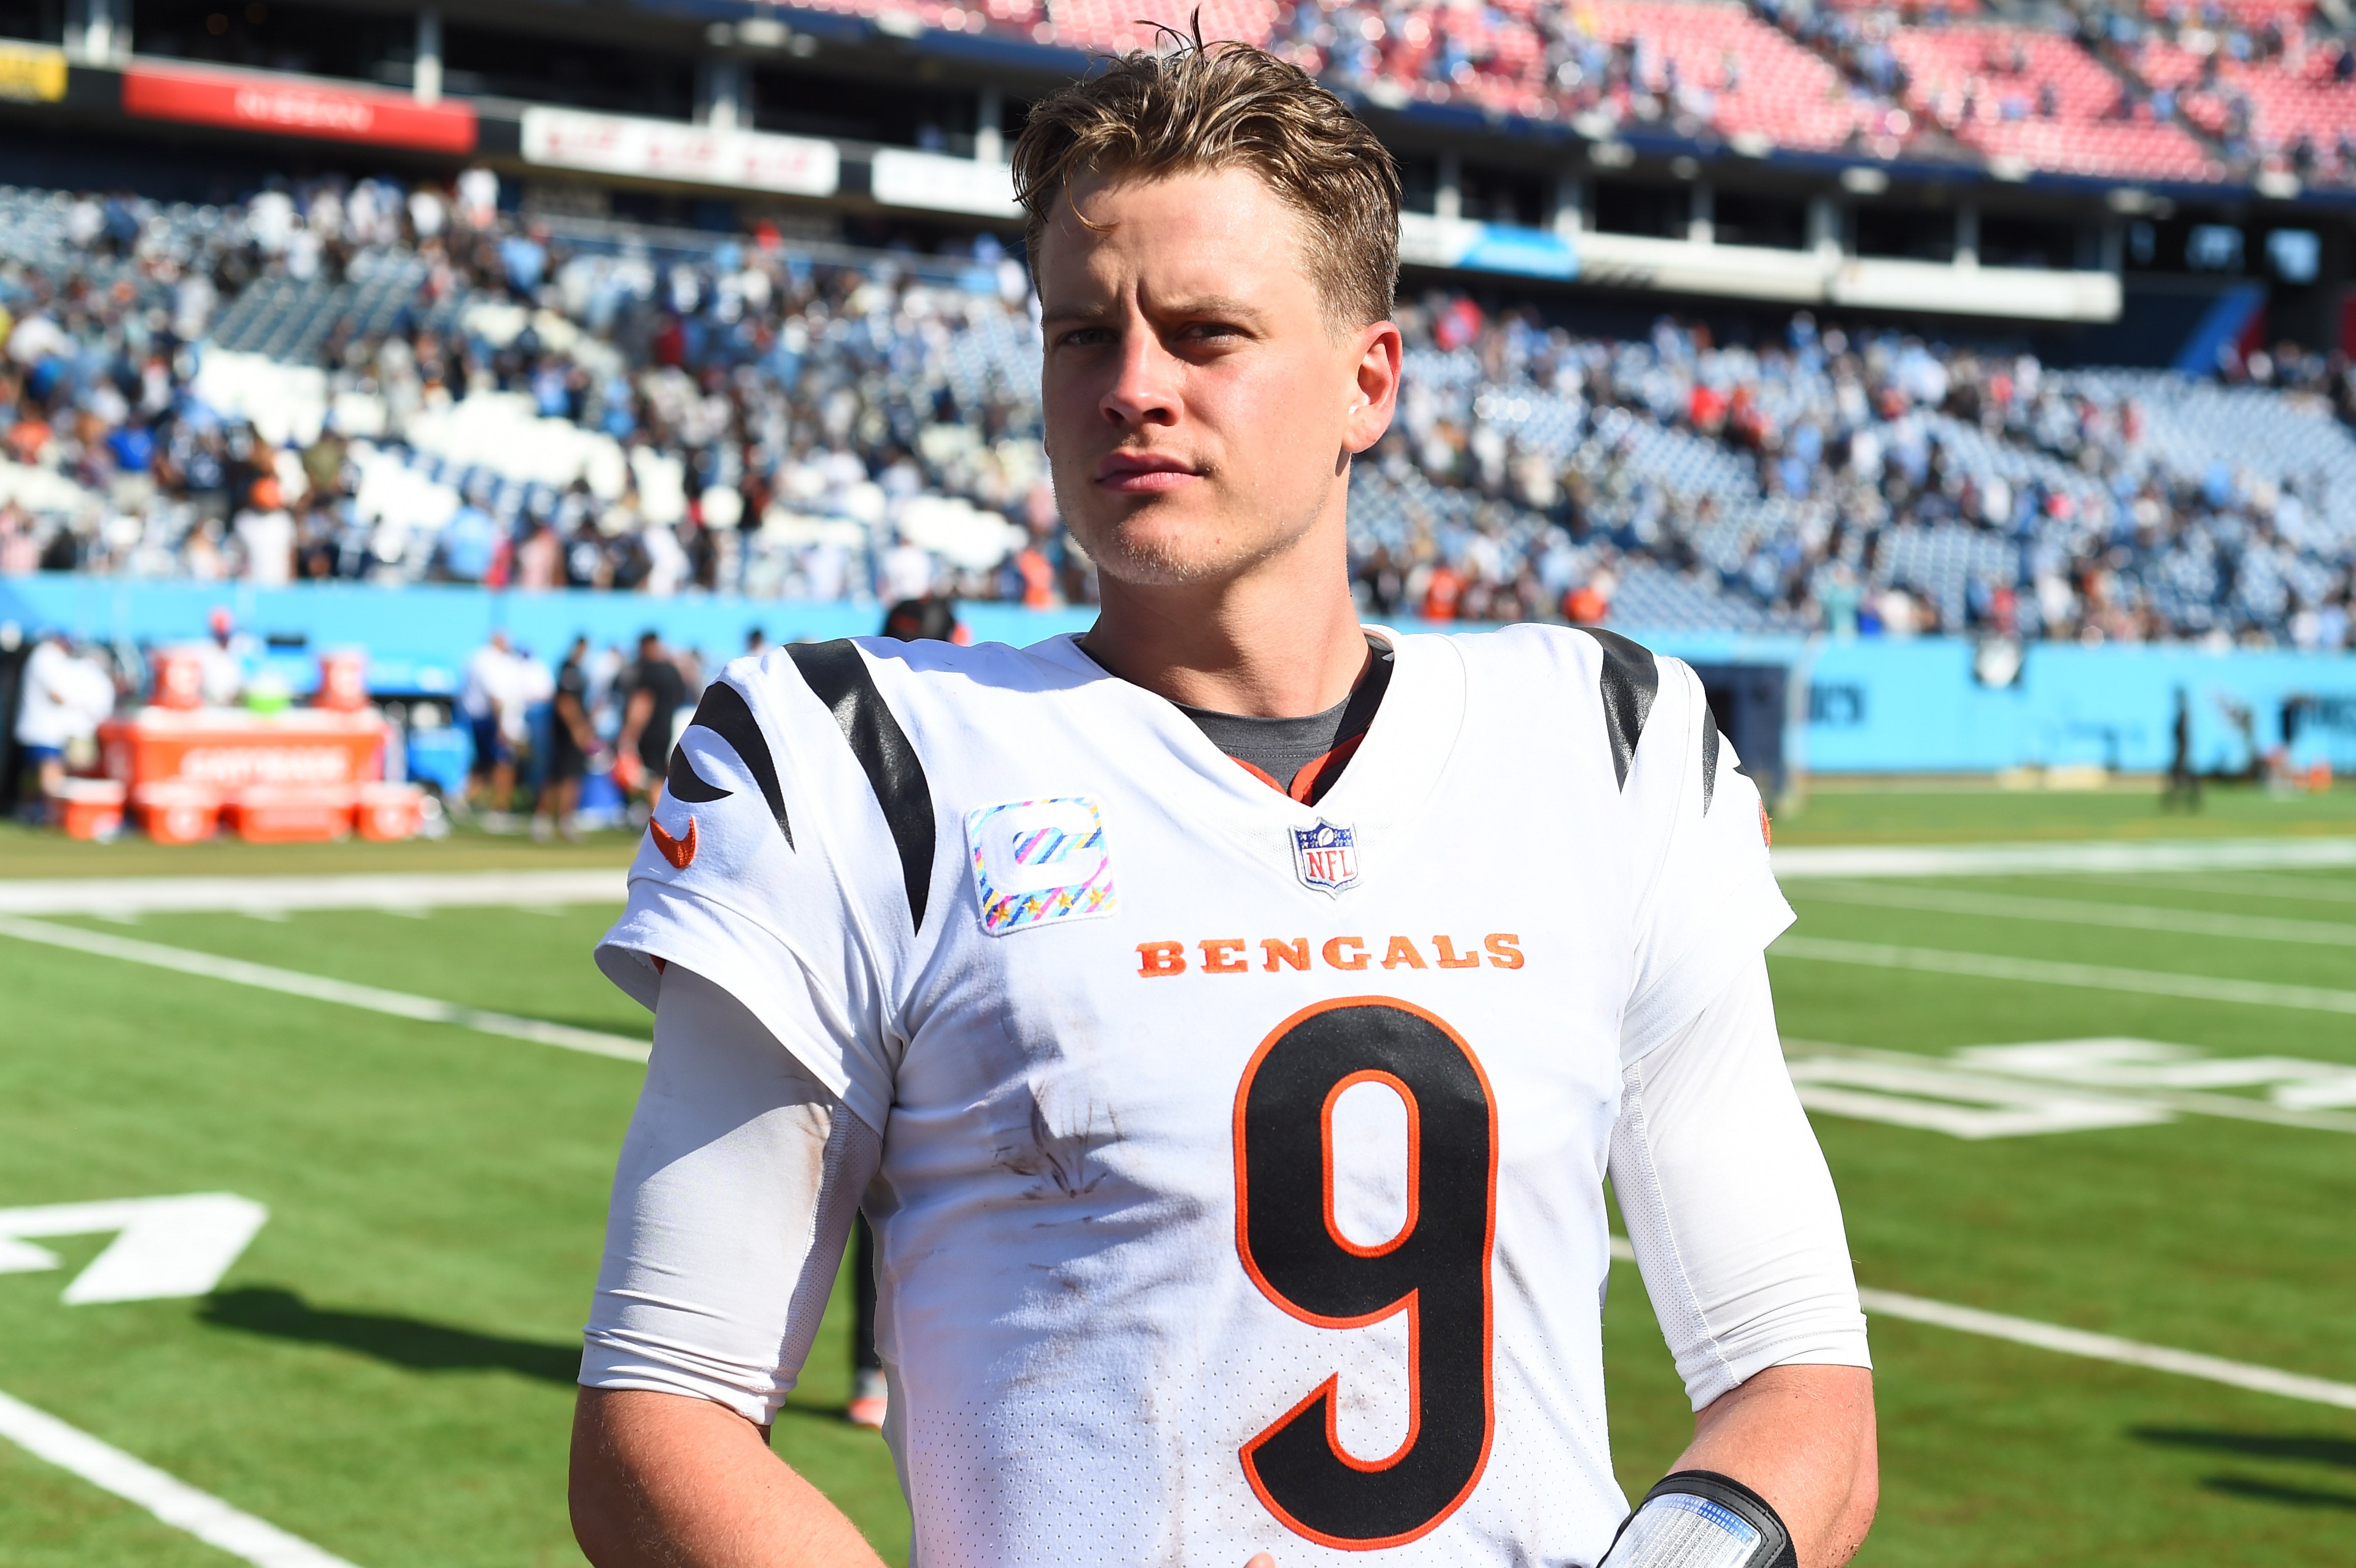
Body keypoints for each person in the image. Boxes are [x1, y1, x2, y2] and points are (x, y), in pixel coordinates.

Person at [572, 38, 1875, 1568]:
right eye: (1082, 333)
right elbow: (660, 1416)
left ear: (1368, 382)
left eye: (1206, 335)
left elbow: (1800, 1383)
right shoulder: (864, 757)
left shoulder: (1606, 739)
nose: (1132, 387)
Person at [614, 631, 687, 809]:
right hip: (667, 729)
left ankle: (658, 818)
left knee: (652, 776)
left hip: (651, 732)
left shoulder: (649, 671)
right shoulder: (672, 670)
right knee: (661, 774)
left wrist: (630, 731)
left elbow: (643, 702)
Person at [536, 636, 599, 842]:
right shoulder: (569, 669)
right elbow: (565, 702)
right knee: (559, 777)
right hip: (566, 734)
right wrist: (577, 729)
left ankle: (563, 820)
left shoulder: (579, 671)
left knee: (570, 777)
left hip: (575, 731)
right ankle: (545, 819)